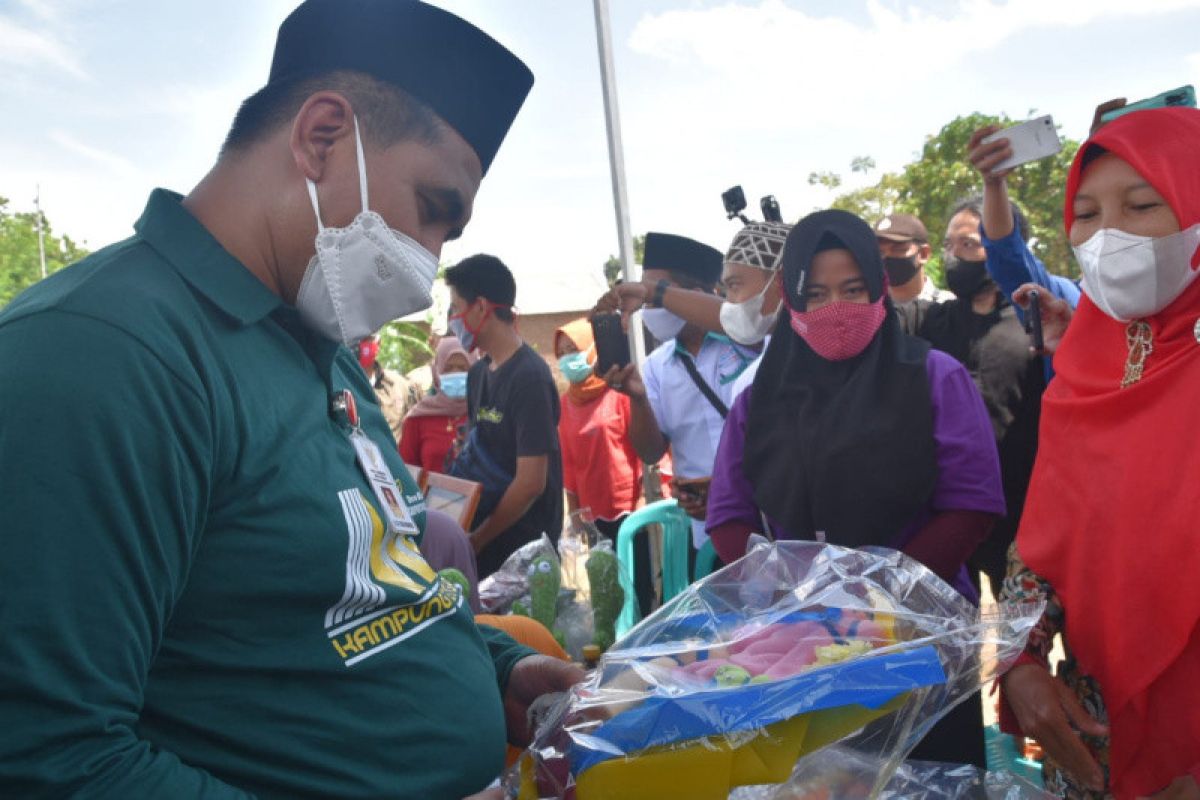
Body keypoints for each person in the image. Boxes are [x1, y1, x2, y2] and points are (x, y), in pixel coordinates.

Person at [0, 3, 584, 798]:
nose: (426, 271)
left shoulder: (317, 348)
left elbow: (363, 598)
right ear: (321, 136)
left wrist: (496, 671)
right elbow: (47, 755)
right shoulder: (101, 354)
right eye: (432, 211)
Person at [706, 209, 1004, 766]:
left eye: (853, 289)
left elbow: (971, 504)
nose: (835, 309)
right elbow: (728, 515)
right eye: (815, 294)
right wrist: (801, 595)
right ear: (791, 303)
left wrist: (875, 595)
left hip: (921, 637)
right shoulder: (760, 399)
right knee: (825, 777)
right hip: (804, 645)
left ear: (879, 289)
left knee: (930, 776)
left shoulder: (935, 377)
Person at [1000, 107, 1200, 800]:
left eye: (1141, 204)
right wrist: (1020, 663)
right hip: (1093, 726)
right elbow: (1045, 536)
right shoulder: (1086, 360)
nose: (1107, 233)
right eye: (1085, 213)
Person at [916, 197, 1046, 596]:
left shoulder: (1038, 325)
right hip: (950, 513)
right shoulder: (930, 321)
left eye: (969, 244)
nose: (955, 256)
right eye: (950, 246)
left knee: (1021, 634)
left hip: (1022, 514)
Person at [602, 232, 759, 550]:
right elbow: (650, 452)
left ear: (697, 295)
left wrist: (727, 489)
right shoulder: (656, 366)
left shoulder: (751, 343)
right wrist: (639, 399)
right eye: (646, 295)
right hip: (705, 538)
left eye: (656, 294)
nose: (649, 304)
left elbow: (738, 320)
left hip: (763, 523)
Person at [445, 254, 564, 579]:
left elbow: (530, 483)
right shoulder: (478, 375)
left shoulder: (530, 376)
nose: (452, 319)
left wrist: (478, 538)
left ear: (481, 308)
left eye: (456, 308)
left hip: (525, 556)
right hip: (484, 552)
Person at [554, 317, 643, 540]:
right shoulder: (564, 405)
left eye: (573, 349)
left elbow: (642, 450)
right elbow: (569, 465)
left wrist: (643, 502)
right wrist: (575, 516)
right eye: (562, 352)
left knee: (639, 573)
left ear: (592, 349)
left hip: (630, 511)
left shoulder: (619, 392)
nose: (567, 358)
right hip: (591, 517)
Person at [399, 335, 475, 471]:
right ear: (436, 371)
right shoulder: (418, 419)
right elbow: (406, 473)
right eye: (448, 368)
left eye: (463, 368)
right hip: (430, 492)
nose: (455, 373)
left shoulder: (485, 414)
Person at [874, 212, 954, 335]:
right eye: (879, 252)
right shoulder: (870, 311)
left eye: (898, 250)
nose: (886, 257)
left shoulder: (948, 306)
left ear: (923, 254)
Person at [357, 336, 422, 439]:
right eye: (355, 339)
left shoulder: (400, 385)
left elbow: (416, 431)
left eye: (366, 339)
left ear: (378, 343)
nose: (360, 344)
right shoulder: (338, 383)